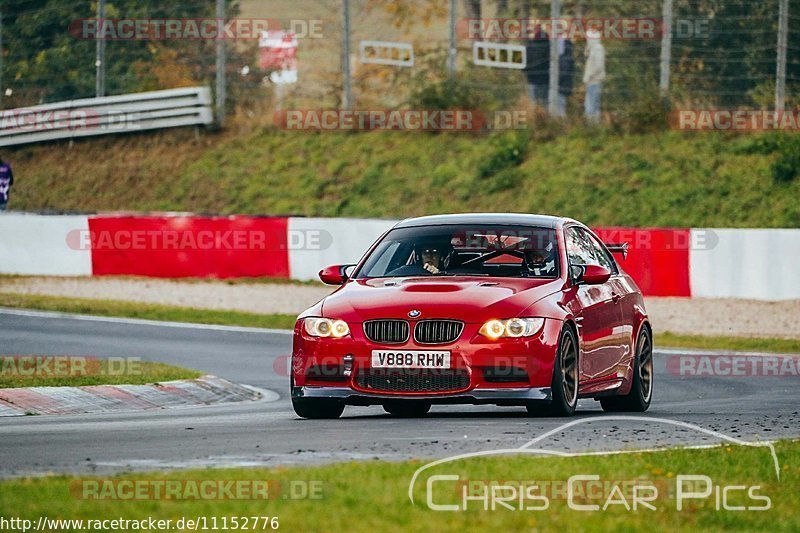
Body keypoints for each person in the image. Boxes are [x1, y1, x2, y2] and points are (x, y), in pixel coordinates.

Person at [523, 25, 550, 109]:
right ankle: (545, 119)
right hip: (545, 79)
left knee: (533, 103)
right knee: (545, 103)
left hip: (532, 79)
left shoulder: (529, 47)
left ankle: (534, 118)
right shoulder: (549, 47)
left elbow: (523, 64)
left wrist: (526, 72)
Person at [583, 29, 606, 124]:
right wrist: (587, 50)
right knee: (593, 105)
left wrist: (589, 76)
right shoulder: (594, 48)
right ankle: (594, 125)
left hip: (594, 81)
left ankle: (591, 125)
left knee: (590, 106)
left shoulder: (597, 48)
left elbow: (598, 66)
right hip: (592, 81)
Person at [556, 37, 575, 118]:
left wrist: (556, 82)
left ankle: (560, 124)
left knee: (560, 108)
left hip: (561, 86)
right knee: (561, 106)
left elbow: (563, 73)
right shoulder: (569, 57)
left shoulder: (564, 59)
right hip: (565, 85)